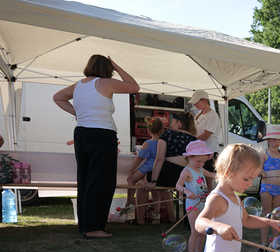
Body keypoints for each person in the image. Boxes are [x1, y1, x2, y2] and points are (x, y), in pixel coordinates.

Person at [53, 54, 139, 238]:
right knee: (102, 181)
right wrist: (117, 65)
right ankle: (94, 228)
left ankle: (87, 225)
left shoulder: (79, 85)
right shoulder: (106, 83)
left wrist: (77, 113)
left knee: (85, 180)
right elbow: (134, 86)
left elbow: (58, 97)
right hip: (101, 134)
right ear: (107, 69)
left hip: (82, 133)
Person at [146, 112, 198, 223]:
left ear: (179, 123)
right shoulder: (195, 139)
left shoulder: (167, 134)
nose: (170, 124)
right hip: (187, 177)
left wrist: (153, 180)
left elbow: (159, 159)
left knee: (147, 175)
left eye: (172, 121)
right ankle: (187, 220)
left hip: (168, 176)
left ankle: (153, 214)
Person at [176, 140, 217, 252]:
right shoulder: (187, 171)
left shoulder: (200, 169)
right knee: (195, 231)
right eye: (198, 161)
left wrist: (223, 175)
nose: (201, 164)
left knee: (203, 231)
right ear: (189, 158)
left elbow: (211, 175)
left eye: (203, 161)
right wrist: (187, 191)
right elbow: (178, 185)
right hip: (192, 204)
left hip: (202, 203)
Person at [125, 118, 166, 224]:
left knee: (130, 180)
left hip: (147, 168)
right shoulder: (163, 143)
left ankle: (130, 204)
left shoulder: (147, 143)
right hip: (158, 170)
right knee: (156, 193)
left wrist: (131, 170)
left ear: (149, 130)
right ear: (162, 130)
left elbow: (139, 158)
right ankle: (156, 216)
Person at [189, 90, 223, 188]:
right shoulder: (199, 115)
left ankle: (208, 200)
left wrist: (191, 141)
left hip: (209, 152)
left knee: (208, 181)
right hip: (199, 152)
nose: (195, 104)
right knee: (198, 180)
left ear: (204, 100)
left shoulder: (212, 115)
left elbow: (206, 135)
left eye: (196, 102)